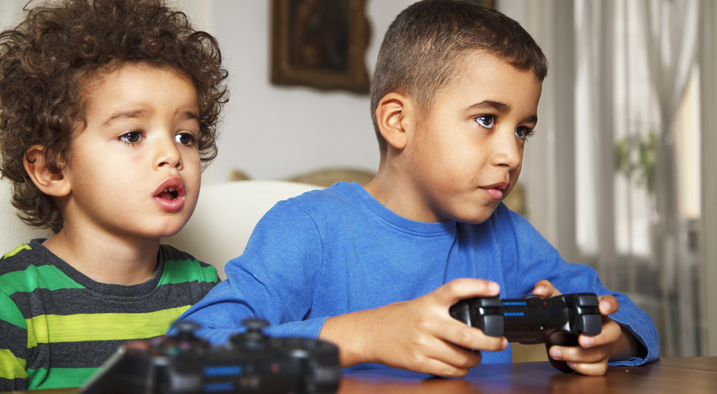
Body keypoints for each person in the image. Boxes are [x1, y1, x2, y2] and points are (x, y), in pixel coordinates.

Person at [174, 0, 659, 378]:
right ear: (398, 121)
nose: (511, 154)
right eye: (486, 120)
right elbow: (192, 349)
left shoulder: (506, 236)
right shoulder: (310, 228)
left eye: (522, 129)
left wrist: (604, 341)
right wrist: (363, 336)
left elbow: (637, 321)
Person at [0, 0, 229, 390]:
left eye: (184, 136)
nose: (172, 155)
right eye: (132, 135)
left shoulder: (203, 290)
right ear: (52, 168)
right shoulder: (14, 298)